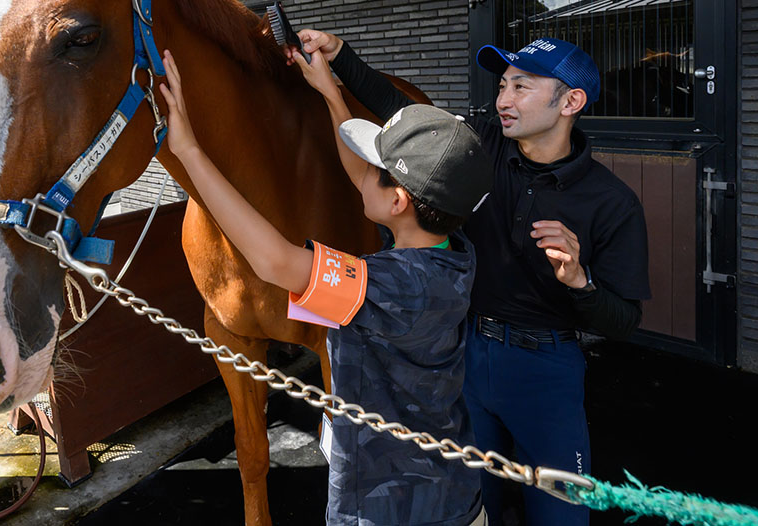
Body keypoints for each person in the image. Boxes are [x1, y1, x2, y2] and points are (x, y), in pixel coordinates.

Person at [290, 32, 651, 526]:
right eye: (502, 85)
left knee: (563, 514)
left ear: (571, 101)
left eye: (521, 87)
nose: (503, 99)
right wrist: (341, 59)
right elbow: (400, 115)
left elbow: (625, 320)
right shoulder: (483, 142)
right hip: (462, 355)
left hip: (545, 369)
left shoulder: (613, 203)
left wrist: (579, 281)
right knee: (463, 507)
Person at [158, 47, 490, 526]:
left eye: (376, 167)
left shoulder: (385, 285)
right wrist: (333, 95)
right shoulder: (454, 252)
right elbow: (362, 179)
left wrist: (189, 151)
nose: (358, 177)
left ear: (398, 201)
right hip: (452, 491)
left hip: (391, 505)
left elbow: (274, 261)